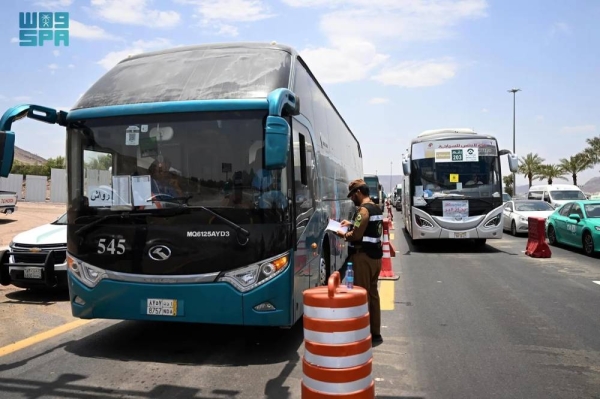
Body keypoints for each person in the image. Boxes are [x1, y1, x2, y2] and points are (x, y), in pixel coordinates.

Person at [335, 179, 383, 344]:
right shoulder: (376, 207)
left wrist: (342, 233)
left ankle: (362, 334)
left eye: (352, 195)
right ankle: (375, 332)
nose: (351, 199)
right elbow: (366, 227)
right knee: (373, 294)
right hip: (376, 257)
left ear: (358, 192)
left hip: (363, 257)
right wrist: (350, 224)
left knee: (362, 295)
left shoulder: (363, 210)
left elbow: (356, 235)